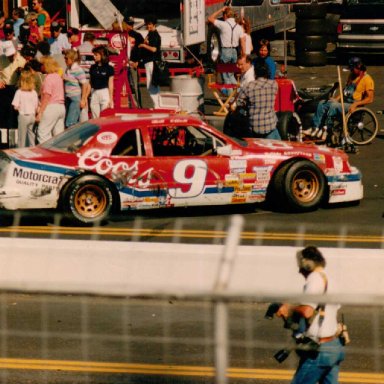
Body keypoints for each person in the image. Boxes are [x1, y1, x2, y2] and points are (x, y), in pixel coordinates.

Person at [276, 246, 345, 384]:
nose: (299, 270)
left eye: (301, 266)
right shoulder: (331, 279)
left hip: (320, 351)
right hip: (334, 346)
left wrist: (288, 308)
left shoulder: (314, 279)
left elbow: (307, 311)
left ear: (307, 264)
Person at [303, 57, 374, 141]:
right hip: (344, 103)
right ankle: (315, 128)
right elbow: (345, 91)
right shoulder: (351, 76)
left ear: (358, 67)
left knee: (333, 106)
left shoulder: (367, 80)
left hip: (354, 106)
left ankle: (327, 129)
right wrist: (336, 98)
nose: (351, 71)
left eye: (352, 69)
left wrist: (356, 104)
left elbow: (370, 99)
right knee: (323, 103)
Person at [236, 61, 280, 139]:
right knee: (279, 147)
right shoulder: (274, 84)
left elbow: (239, 103)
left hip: (254, 126)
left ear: (255, 72)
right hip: (270, 125)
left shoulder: (248, 86)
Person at [208, 6, 245, 87]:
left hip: (225, 51)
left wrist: (221, 9)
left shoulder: (223, 24)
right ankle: (237, 93)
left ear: (225, 15)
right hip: (234, 52)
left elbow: (210, 18)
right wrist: (244, 55)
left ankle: (230, 98)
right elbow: (242, 43)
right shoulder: (239, 27)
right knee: (231, 75)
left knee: (225, 76)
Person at [36, 56, 65, 144]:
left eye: (42, 64)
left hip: (51, 107)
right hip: (61, 107)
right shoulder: (58, 77)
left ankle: (46, 154)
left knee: (43, 133)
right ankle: (60, 155)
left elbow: (47, 96)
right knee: (59, 136)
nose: (40, 66)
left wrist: (40, 112)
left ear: (46, 65)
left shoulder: (48, 78)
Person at [0, 42, 26, 129]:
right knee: (3, 114)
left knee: (14, 115)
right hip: (4, 89)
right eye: (8, 56)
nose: (10, 57)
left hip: (16, 88)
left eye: (11, 55)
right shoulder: (1, 59)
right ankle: (3, 139)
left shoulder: (21, 60)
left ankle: (13, 137)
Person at [12, 68, 39, 147]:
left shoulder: (19, 92)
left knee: (22, 137)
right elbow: (36, 105)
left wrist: (19, 107)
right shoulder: (34, 92)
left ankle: (21, 152)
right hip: (32, 116)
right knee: (31, 135)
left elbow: (15, 107)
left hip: (23, 116)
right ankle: (33, 149)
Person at [138, 15, 161, 108]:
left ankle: (157, 106)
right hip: (148, 62)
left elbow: (154, 49)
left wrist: (144, 46)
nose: (148, 26)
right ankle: (158, 105)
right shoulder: (150, 34)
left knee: (151, 85)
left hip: (152, 61)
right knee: (152, 84)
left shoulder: (155, 35)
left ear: (154, 24)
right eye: (147, 24)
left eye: (150, 24)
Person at [63, 49, 89, 128]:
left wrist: (83, 99)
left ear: (72, 59)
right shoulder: (68, 69)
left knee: (70, 123)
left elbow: (85, 84)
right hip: (68, 97)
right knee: (72, 122)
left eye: (66, 58)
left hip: (75, 98)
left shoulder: (78, 69)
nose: (65, 60)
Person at [124, 15, 144, 107]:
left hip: (133, 63)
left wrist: (138, 62)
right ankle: (129, 105)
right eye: (128, 24)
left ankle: (138, 105)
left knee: (134, 85)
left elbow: (142, 50)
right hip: (123, 63)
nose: (129, 26)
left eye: (130, 24)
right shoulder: (120, 35)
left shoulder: (137, 35)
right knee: (124, 86)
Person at [89, 45, 114, 118]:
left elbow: (111, 83)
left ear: (102, 55)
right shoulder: (92, 67)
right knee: (95, 116)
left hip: (104, 92)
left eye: (96, 55)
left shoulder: (109, 68)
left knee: (105, 116)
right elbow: (90, 82)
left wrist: (111, 99)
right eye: (94, 55)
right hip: (94, 92)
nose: (94, 56)